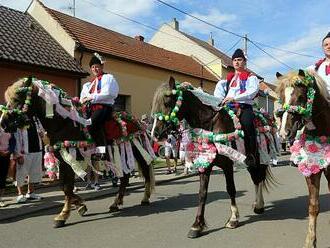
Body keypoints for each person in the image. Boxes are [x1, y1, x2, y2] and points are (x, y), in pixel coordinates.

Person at [214, 48, 259, 166]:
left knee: (248, 125)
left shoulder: (251, 77)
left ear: (244, 62)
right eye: (234, 60)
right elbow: (220, 94)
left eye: (239, 60)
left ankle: (251, 154)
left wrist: (235, 98)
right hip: (228, 107)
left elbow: (252, 92)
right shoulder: (229, 78)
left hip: (244, 106)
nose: (237, 62)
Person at [80, 53, 119, 159]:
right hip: (90, 108)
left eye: (97, 66)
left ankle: (102, 151)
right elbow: (82, 98)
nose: (94, 69)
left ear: (102, 67)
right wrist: (81, 101)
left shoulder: (108, 78)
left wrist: (91, 97)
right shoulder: (89, 84)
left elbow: (109, 94)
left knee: (92, 123)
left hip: (103, 107)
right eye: (92, 67)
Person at [14, 117, 43, 203]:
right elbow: (17, 138)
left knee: (34, 172)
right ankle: (20, 194)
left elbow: (42, 131)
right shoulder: (19, 119)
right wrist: (18, 154)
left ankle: (31, 192)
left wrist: (42, 134)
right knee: (21, 173)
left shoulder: (36, 119)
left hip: (37, 149)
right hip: (24, 152)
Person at [0, 129, 15, 207]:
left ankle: (0, 199)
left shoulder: (8, 128)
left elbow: (12, 141)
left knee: (2, 177)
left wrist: (9, 151)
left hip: (6, 155)